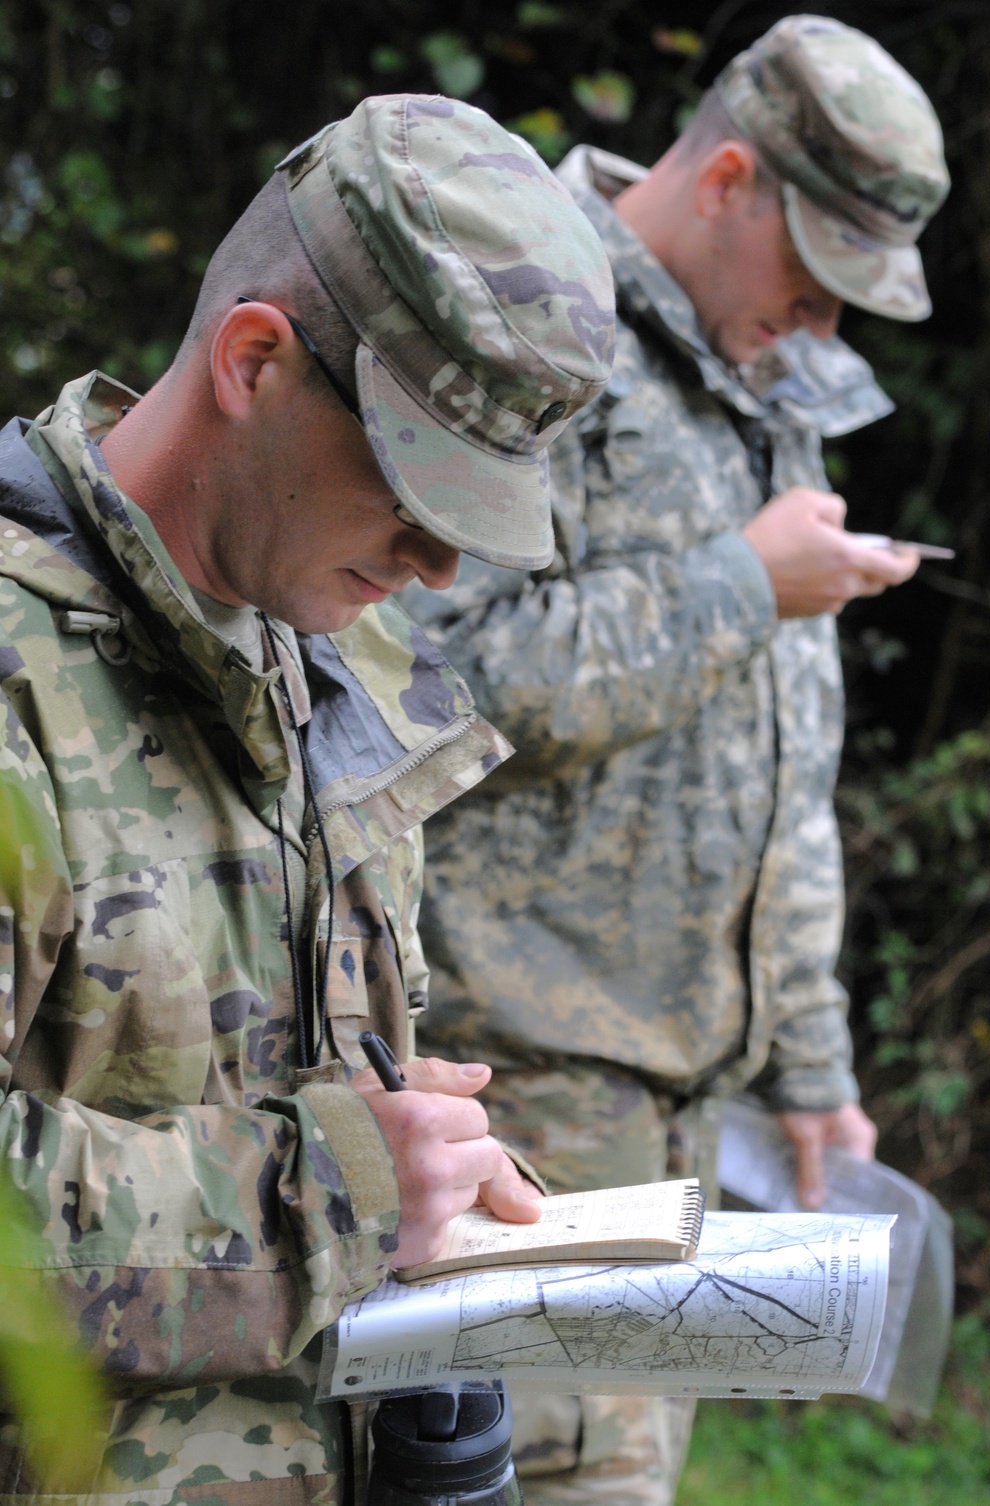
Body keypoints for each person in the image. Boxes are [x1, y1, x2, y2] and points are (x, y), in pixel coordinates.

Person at [0, 94, 616, 1506]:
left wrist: (423, 1160)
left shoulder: (320, 648)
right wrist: (334, 1188)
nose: (441, 562)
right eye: (413, 483)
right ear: (256, 360)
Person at [403, 17, 950, 1505]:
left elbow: (787, 767)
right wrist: (734, 584)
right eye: (814, 282)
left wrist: (813, 1067)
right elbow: (428, 684)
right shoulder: (523, 309)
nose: (822, 329)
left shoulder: (770, 393)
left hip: (684, 1111)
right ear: (728, 178)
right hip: (517, 1089)